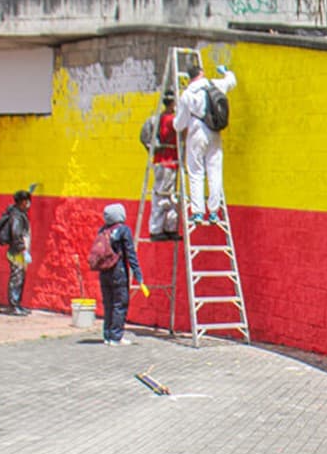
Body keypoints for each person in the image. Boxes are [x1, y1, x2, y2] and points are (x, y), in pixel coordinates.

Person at [173, 64, 237, 224]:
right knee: (215, 171)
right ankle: (214, 211)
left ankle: (198, 212)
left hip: (197, 133)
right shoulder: (215, 85)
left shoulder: (187, 94)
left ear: (189, 77)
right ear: (202, 73)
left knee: (196, 172)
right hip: (215, 132)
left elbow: (179, 125)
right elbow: (231, 81)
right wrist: (226, 71)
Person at [97, 203, 144, 345]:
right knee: (120, 303)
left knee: (108, 303)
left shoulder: (102, 230)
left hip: (104, 272)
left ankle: (107, 335)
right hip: (118, 272)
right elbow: (130, 253)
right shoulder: (124, 231)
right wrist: (137, 273)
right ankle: (116, 337)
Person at [149, 89, 181, 240]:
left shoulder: (160, 118)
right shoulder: (170, 119)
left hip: (167, 161)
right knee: (163, 195)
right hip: (166, 162)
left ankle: (169, 227)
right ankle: (157, 229)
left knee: (169, 196)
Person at [2, 190, 32, 316]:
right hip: (17, 252)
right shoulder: (17, 216)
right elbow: (16, 234)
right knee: (17, 278)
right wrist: (23, 250)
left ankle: (17, 304)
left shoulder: (19, 214)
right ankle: (14, 305)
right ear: (23, 202)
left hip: (18, 252)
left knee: (20, 278)